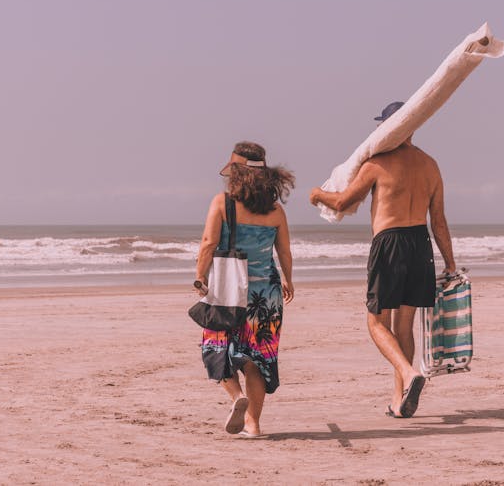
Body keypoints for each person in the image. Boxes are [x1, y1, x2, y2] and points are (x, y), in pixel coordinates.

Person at [309, 101, 456, 418]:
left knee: (376, 323)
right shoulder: (431, 165)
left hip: (389, 243)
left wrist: (317, 195)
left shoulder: (377, 164)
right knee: (403, 326)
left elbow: (344, 201)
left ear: (392, 127)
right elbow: (439, 222)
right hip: (420, 244)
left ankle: (410, 372)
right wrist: (451, 264)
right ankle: (398, 401)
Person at [195, 141, 295, 438]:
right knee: (258, 358)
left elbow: (208, 244)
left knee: (215, 347)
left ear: (235, 173)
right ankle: (253, 424)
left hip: (228, 290)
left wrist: (200, 277)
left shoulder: (221, 204)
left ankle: (236, 395)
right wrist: (288, 279)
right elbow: (285, 252)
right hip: (266, 295)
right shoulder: (275, 211)